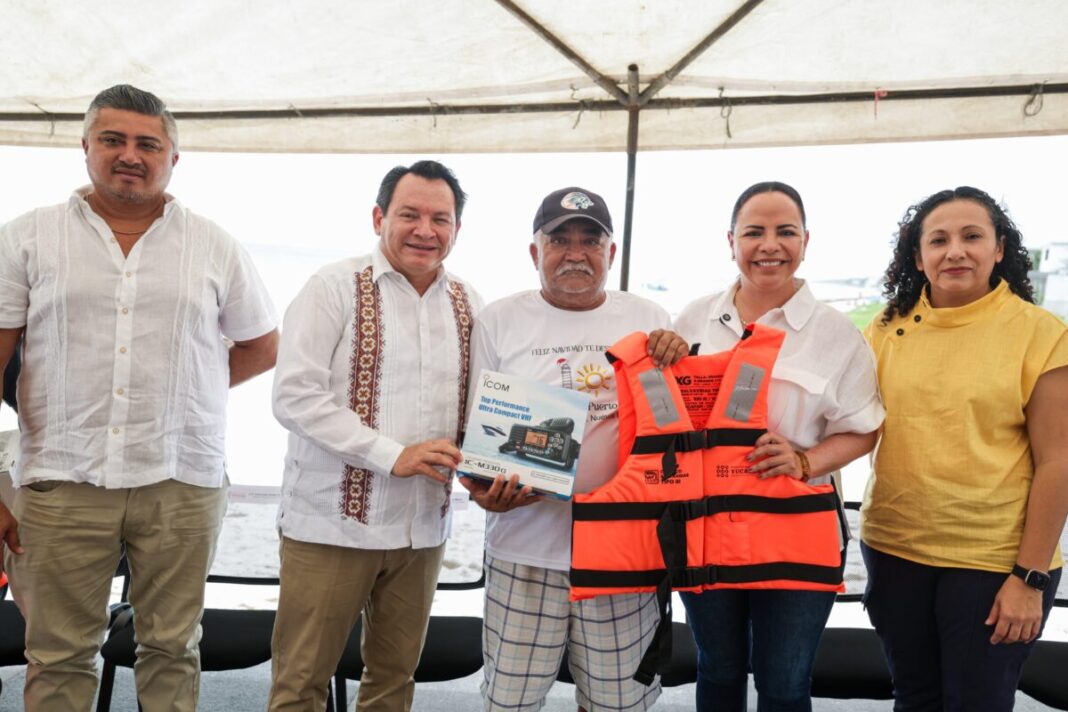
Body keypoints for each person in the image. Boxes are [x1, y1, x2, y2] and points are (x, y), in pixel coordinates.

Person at [0, 84, 279, 711]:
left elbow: (262, 345)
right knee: (59, 654)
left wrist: (191, 390)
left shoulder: (213, 244)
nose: (131, 155)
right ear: (86, 148)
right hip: (60, 479)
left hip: (181, 479)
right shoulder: (27, 237)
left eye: (148, 143)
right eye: (114, 140)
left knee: (173, 648)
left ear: (173, 158)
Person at [460, 187, 688, 712]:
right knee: (510, 703)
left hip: (625, 552)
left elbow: (672, 428)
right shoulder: (498, 319)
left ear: (612, 254)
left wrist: (676, 356)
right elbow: (477, 432)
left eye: (591, 240)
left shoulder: (649, 314)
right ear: (535, 252)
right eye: (559, 239)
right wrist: (480, 492)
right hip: (523, 551)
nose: (575, 252)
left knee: (618, 704)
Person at [267, 160, 481, 712]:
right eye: (409, 214)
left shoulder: (470, 302)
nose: (425, 230)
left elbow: (485, 408)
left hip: (422, 527)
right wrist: (392, 455)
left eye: (441, 218)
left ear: (457, 229)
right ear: (379, 216)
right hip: (332, 524)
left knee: (393, 681)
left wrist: (498, 474)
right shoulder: (332, 287)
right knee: (300, 683)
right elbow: (294, 397)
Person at [670, 181, 884, 711]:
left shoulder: (835, 333)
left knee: (784, 683)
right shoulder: (693, 319)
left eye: (785, 231)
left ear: (805, 241)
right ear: (731, 241)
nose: (770, 245)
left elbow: (864, 428)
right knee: (717, 669)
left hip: (796, 535)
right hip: (706, 530)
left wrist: (807, 460)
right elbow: (663, 414)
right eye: (754, 232)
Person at [861, 186, 1068, 711]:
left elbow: (1058, 461)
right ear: (918, 256)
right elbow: (851, 422)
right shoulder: (886, 328)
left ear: (999, 248)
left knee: (977, 703)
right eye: (939, 240)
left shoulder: (1040, 333)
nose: (955, 251)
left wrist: (1029, 577)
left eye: (972, 236)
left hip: (994, 562)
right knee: (914, 699)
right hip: (894, 550)